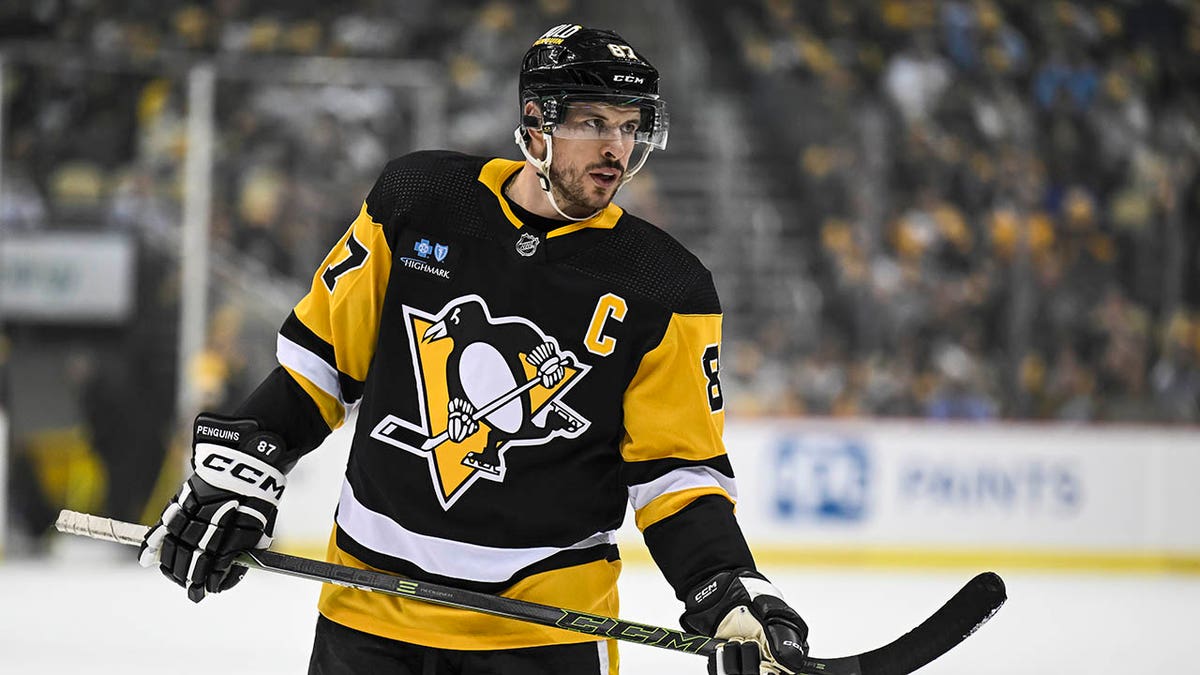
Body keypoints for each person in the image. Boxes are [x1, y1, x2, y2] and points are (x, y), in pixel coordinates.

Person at [139, 23, 810, 675]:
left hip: (545, 629)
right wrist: (245, 467)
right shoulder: (421, 200)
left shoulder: (668, 286)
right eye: (595, 122)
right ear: (536, 122)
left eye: (631, 126)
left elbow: (675, 477)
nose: (617, 147)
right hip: (370, 614)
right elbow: (320, 366)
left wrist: (724, 584)